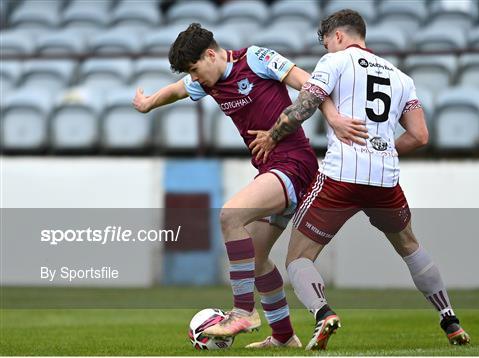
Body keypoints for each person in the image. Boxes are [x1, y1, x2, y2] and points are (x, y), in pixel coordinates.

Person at [132, 23, 368, 348]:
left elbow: (310, 84)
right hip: (271, 169)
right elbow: (176, 90)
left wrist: (334, 118)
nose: (194, 77)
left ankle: (243, 311)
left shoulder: (255, 59)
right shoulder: (209, 81)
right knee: (256, 259)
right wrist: (148, 104)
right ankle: (284, 338)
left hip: (294, 163)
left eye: (195, 68)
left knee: (230, 216)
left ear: (211, 54)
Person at [249, 9, 471, 351]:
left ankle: (324, 314)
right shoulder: (401, 77)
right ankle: (450, 319)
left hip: (341, 176)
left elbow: (304, 106)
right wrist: (382, 151)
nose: (327, 47)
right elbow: (420, 135)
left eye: (326, 41)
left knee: (298, 258)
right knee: (410, 246)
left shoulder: (334, 62)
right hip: (384, 179)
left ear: (337, 36)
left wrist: (272, 137)